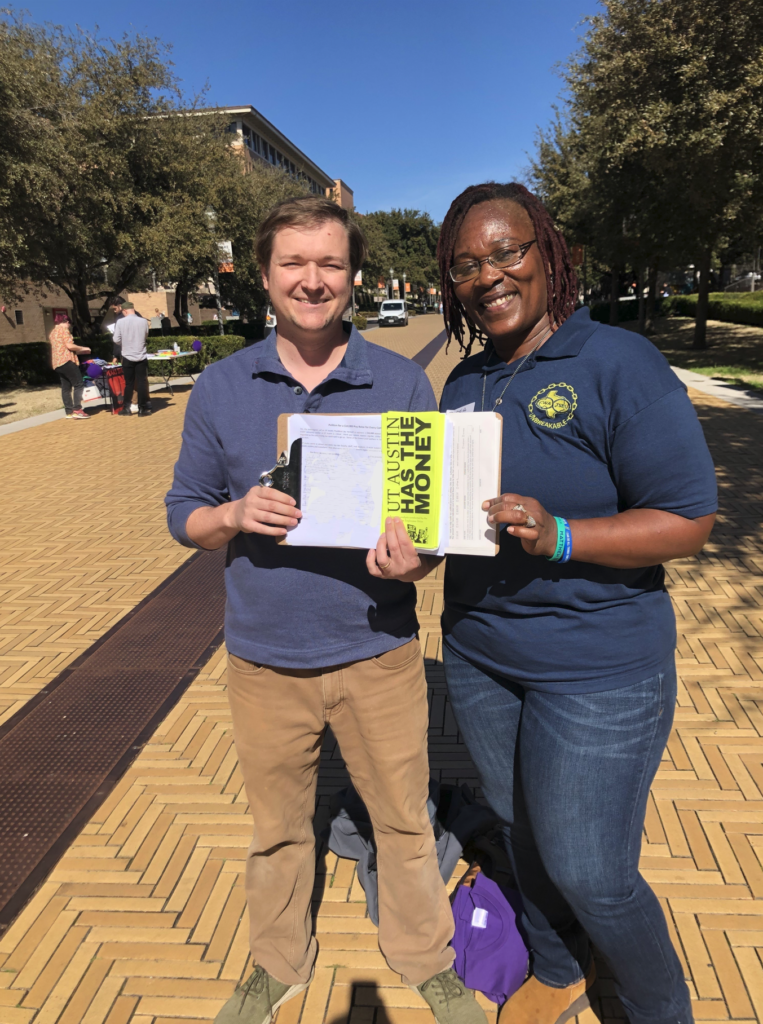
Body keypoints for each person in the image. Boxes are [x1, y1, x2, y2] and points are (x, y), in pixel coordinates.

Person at [165, 196, 486, 1024]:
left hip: (377, 651)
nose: (313, 281)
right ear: (264, 276)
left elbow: (431, 529)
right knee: (276, 830)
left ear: (353, 276)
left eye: (330, 264)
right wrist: (233, 516)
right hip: (264, 660)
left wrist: (420, 556)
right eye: (294, 264)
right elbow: (183, 515)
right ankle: (276, 961)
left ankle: (425, 956)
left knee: (404, 823)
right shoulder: (222, 387)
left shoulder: (400, 380)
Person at [423, 182, 716, 1024]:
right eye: (466, 264)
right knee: (523, 834)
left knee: (593, 871)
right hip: (480, 657)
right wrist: (413, 550)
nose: (489, 275)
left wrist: (561, 536)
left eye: (507, 251)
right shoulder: (464, 382)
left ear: (549, 253)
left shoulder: (618, 362)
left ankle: (660, 1010)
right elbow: (455, 519)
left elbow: (688, 520)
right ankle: (555, 966)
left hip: (598, 670)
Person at [49, 314, 91, 420]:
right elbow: (69, 346)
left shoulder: (53, 333)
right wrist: (83, 348)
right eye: (69, 323)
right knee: (78, 384)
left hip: (57, 363)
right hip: (66, 361)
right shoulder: (64, 330)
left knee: (66, 388)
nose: (69, 325)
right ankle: (77, 409)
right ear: (66, 321)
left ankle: (69, 411)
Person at [114, 302, 151, 416]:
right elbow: (146, 335)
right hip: (141, 355)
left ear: (124, 311)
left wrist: (124, 344)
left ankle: (126, 408)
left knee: (129, 383)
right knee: (141, 382)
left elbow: (116, 339)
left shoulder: (120, 322)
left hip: (127, 355)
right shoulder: (143, 321)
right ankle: (142, 408)